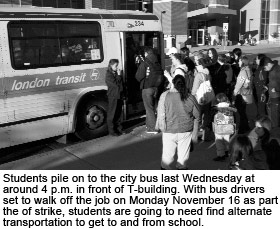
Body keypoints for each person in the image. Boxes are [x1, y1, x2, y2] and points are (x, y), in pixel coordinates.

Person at [156, 75, 200, 170]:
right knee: (183, 157)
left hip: (169, 129)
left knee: (167, 155)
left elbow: (160, 112)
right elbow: (197, 115)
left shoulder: (165, 96)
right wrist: (195, 132)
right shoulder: (190, 97)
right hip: (185, 130)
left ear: (173, 84)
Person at [135, 46, 163, 134]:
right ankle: (149, 125)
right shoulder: (157, 62)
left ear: (146, 53)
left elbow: (138, 76)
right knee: (153, 107)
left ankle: (153, 128)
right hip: (156, 88)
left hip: (147, 88)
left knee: (149, 108)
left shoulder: (145, 63)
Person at [233, 55, 257, 133]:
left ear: (242, 62)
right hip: (247, 93)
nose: (238, 62)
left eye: (239, 61)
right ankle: (245, 126)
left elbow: (239, 83)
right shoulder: (248, 70)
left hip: (242, 94)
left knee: (241, 112)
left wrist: (235, 92)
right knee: (243, 111)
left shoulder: (243, 71)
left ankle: (243, 127)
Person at [192, 54, 212, 141]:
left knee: (197, 117)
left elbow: (194, 88)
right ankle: (205, 136)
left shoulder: (199, 74)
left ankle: (194, 137)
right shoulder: (207, 72)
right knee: (206, 116)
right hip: (207, 96)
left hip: (199, 97)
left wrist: (192, 95)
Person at [212, 93, 237, 161]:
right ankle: (227, 151)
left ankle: (221, 155)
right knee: (227, 140)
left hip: (219, 128)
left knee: (219, 141)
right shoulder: (230, 107)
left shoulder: (216, 107)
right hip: (228, 127)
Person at [105, 59, 124, 136]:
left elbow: (120, 84)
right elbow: (115, 84)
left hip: (119, 95)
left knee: (118, 113)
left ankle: (119, 129)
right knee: (112, 113)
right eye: (116, 66)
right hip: (113, 96)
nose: (117, 67)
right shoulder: (109, 75)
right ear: (111, 66)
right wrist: (119, 76)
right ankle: (112, 131)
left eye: (117, 65)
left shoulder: (115, 73)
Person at [262, 57, 280, 128]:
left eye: (265, 67)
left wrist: (277, 89)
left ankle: (275, 134)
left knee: (275, 118)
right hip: (272, 96)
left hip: (276, 97)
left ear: (269, 64)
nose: (265, 69)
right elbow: (273, 82)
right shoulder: (272, 70)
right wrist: (268, 86)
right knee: (272, 116)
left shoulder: (277, 70)